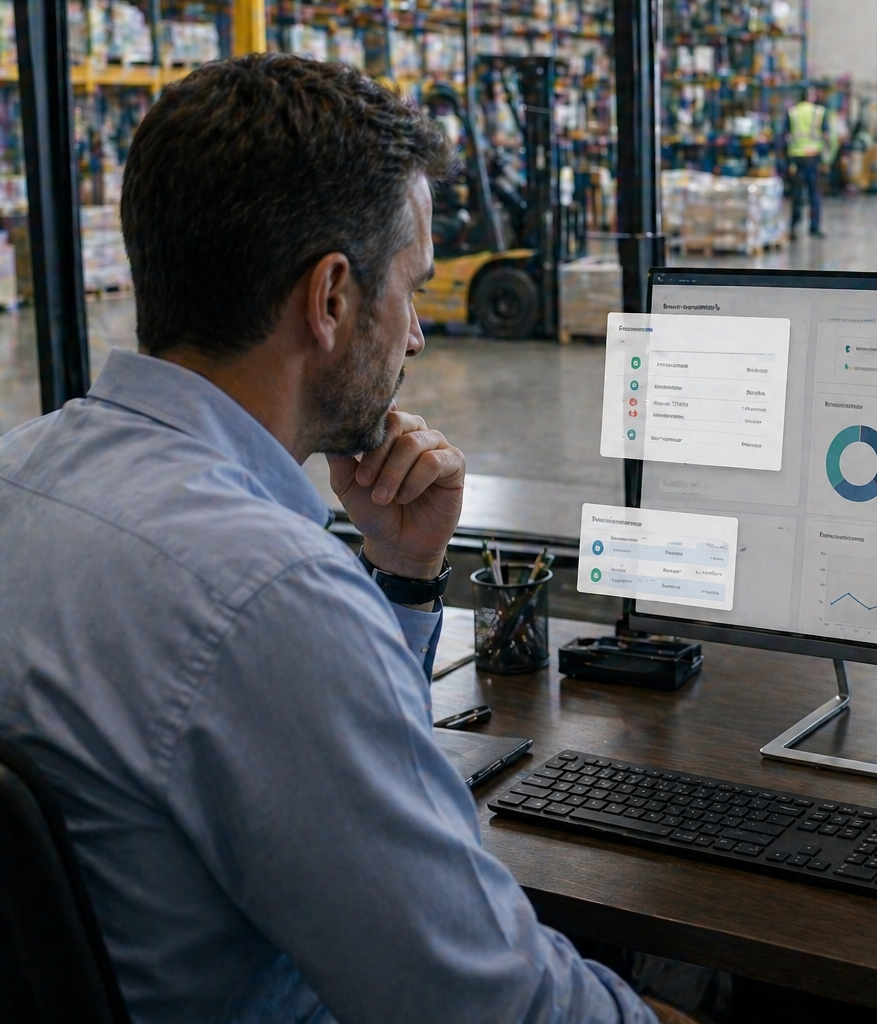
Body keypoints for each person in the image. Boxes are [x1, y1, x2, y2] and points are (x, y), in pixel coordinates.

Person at [0, 54, 678, 1024]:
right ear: (330, 300)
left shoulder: (23, 471)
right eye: (409, 288)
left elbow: (328, 769)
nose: (415, 338)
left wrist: (403, 577)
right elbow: (486, 1002)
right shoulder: (266, 594)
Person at [785, 86, 829, 239]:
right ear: (811, 96)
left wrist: (787, 161)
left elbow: (785, 136)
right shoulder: (819, 113)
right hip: (813, 157)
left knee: (796, 194)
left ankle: (793, 227)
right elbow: (826, 135)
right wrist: (826, 159)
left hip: (797, 158)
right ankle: (814, 226)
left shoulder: (792, 113)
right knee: (814, 194)